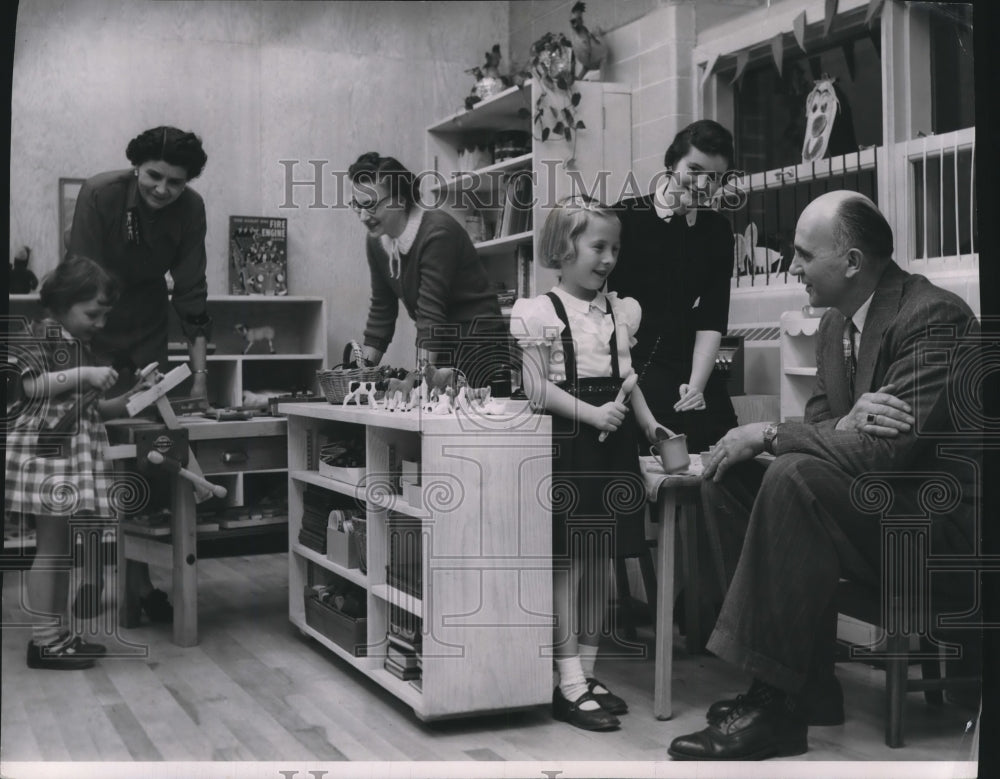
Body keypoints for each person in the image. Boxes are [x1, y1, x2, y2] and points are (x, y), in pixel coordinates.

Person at [667, 191, 981, 760]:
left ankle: (777, 708)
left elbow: (884, 455)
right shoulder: (837, 324)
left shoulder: (935, 317)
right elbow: (823, 422)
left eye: (803, 256)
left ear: (853, 263)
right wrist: (845, 425)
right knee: (729, 476)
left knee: (791, 474)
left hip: (938, 535)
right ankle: (806, 686)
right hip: (874, 511)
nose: (791, 268)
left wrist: (766, 433)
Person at [510, 196, 664, 731]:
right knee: (565, 563)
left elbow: (627, 381)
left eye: (614, 248)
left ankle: (587, 675)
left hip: (612, 445)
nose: (608, 258)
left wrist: (649, 424)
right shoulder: (539, 312)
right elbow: (535, 389)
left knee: (603, 563)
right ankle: (567, 679)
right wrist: (592, 415)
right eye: (598, 246)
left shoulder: (621, 310)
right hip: (568, 445)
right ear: (563, 247)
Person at [67, 126, 213, 622]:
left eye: (176, 181)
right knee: (95, 454)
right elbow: (80, 278)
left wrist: (199, 376)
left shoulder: (191, 210)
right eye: (154, 176)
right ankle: (92, 579)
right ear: (136, 167)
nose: (163, 189)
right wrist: (83, 359)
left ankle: (138, 584)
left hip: (148, 329)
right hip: (93, 321)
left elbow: (191, 290)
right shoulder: (99, 194)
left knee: (146, 452)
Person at [5, 257, 144, 669]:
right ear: (63, 304)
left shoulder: (74, 345)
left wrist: (138, 393)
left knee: (59, 548)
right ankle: (45, 641)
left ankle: (57, 634)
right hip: (50, 454)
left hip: (65, 455)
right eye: (93, 313)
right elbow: (30, 385)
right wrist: (85, 374)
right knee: (50, 549)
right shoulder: (46, 336)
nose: (100, 323)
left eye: (104, 315)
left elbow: (93, 410)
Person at [609, 119, 737, 453]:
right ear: (671, 163)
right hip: (629, 363)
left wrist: (697, 386)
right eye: (694, 169)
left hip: (691, 363)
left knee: (723, 455)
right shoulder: (623, 217)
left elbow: (712, 316)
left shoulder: (717, 231)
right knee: (654, 456)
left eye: (714, 178)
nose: (701, 184)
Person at [347, 152, 505, 386]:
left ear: (400, 199)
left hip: (479, 344)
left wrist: (420, 377)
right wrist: (362, 374)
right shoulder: (376, 241)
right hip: (440, 342)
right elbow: (382, 311)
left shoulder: (437, 232)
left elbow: (430, 313)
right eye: (356, 205)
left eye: (370, 205)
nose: (362, 216)